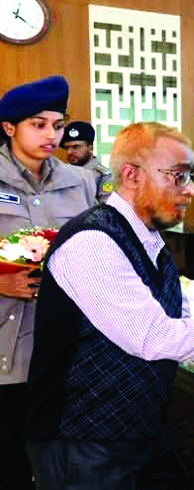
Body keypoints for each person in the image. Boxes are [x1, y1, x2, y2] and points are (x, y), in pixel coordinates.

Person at [23, 122, 194, 489]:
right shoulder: (92, 241)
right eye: (178, 176)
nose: (191, 190)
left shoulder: (152, 244)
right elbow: (154, 337)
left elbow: (183, 324)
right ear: (131, 175)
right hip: (82, 442)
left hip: (143, 433)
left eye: (192, 177)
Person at [0, 75, 96, 490]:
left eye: (57, 125)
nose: (51, 135)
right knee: (9, 459)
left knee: (63, 458)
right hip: (7, 344)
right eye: (37, 125)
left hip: (65, 344)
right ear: (9, 127)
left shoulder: (81, 182)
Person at [60, 120, 113, 200]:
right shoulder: (61, 173)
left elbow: (107, 206)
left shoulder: (103, 176)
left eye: (76, 147)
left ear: (90, 148)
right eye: (67, 148)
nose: (69, 152)